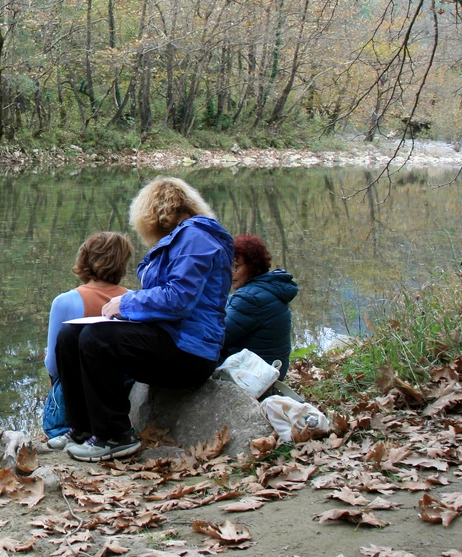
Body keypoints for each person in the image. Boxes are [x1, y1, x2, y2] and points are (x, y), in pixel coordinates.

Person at [53, 177, 233, 462]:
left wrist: (126, 302)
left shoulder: (195, 237)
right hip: (170, 340)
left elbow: (178, 298)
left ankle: (115, 436)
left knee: (98, 339)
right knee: (70, 336)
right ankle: (83, 428)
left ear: (153, 212)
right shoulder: (181, 239)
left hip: (191, 352)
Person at [42, 232, 133, 448]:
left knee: (63, 353)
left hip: (88, 390)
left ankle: (78, 428)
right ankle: (84, 429)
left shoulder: (64, 301)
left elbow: (54, 366)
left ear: (85, 259)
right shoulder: (133, 298)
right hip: (125, 388)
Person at [221, 233, 298, 379]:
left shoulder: (251, 298)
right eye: (229, 266)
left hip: (253, 375)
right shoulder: (267, 288)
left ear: (253, 266)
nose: (231, 273)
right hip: (265, 369)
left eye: (236, 266)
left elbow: (217, 337)